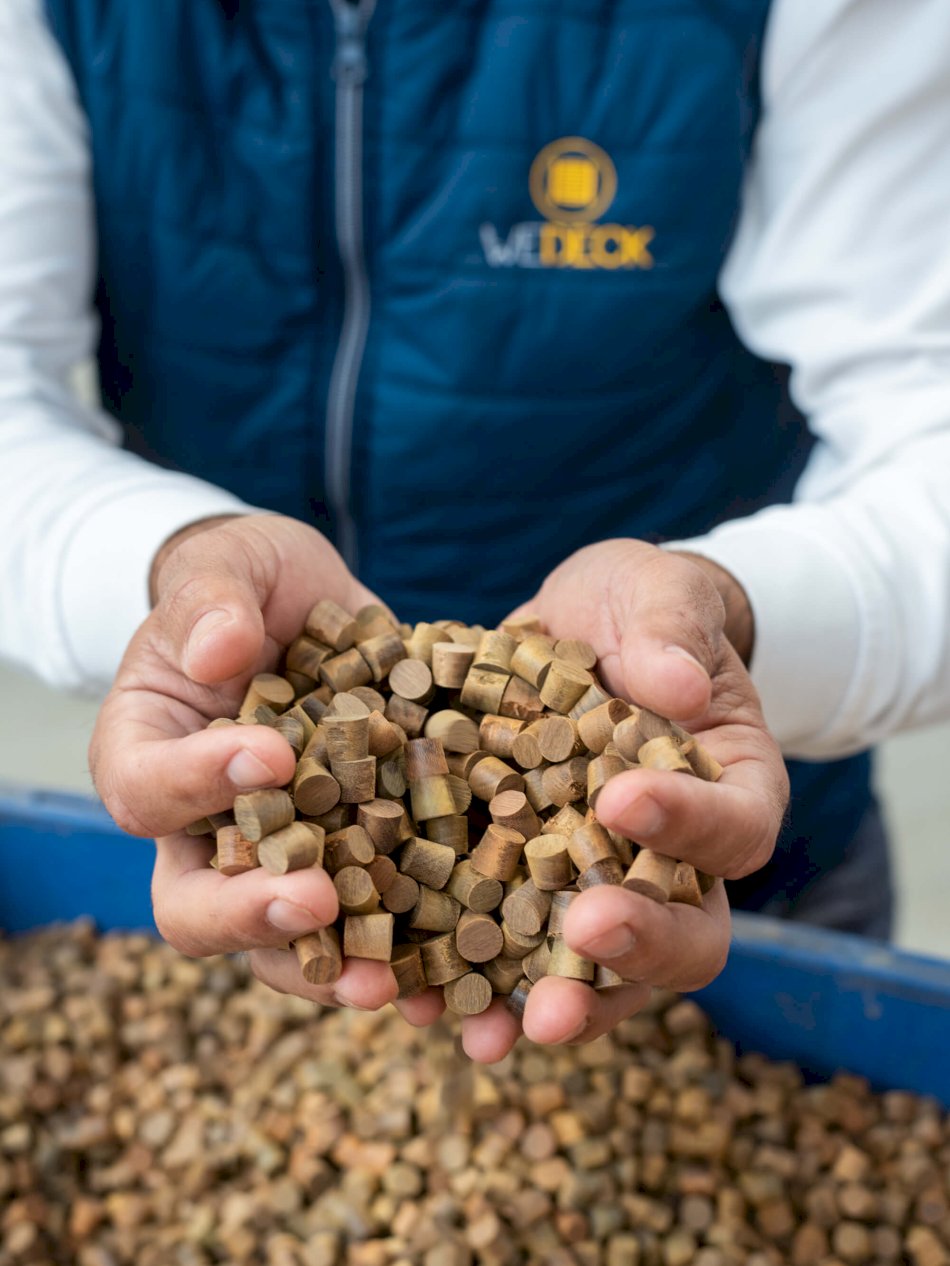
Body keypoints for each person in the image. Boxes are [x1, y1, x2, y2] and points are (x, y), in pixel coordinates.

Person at [1, 0, 948, 1063]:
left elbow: (930, 418)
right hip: (271, 883)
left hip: (726, 849)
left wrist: (725, 616)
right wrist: (171, 569)